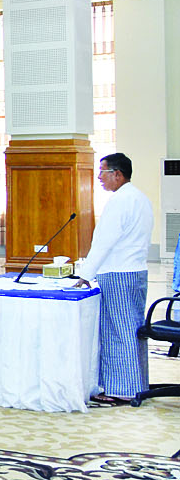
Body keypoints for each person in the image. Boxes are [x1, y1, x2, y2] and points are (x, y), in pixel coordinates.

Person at [76, 153, 155, 405]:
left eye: (103, 172)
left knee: (117, 331)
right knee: (132, 330)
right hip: (136, 271)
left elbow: (103, 242)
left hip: (117, 273)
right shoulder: (140, 198)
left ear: (117, 174)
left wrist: (85, 274)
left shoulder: (120, 201)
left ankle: (121, 389)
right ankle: (137, 384)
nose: (99, 177)